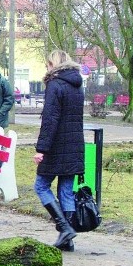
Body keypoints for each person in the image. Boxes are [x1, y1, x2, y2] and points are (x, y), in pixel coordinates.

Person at [32, 50, 85, 251]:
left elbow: (50, 119)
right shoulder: (78, 86)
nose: (47, 68)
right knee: (65, 191)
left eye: (48, 64)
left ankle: (64, 228)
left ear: (53, 64)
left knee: (41, 186)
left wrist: (41, 149)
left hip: (56, 146)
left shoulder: (55, 85)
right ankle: (67, 240)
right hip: (75, 145)